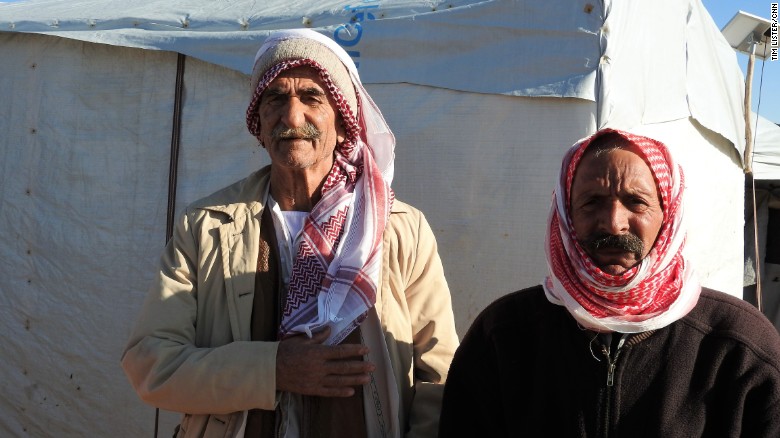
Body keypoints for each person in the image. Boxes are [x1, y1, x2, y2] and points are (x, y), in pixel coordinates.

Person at [121, 29, 459, 438]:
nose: (292, 116)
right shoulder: (208, 226)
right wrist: (275, 367)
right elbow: (152, 364)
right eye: (276, 98)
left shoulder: (399, 227)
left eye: (312, 98)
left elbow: (439, 378)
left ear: (342, 119)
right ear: (258, 123)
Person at [438, 128, 780, 437]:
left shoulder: (738, 347)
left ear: (669, 214)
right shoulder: (503, 335)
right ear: (566, 214)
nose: (614, 223)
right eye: (592, 203)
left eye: (636, 202)